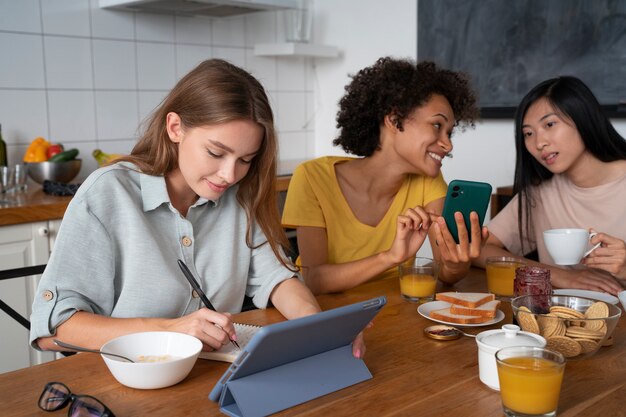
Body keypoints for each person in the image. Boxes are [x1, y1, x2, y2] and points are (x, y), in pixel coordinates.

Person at [30, 59, 365, 357]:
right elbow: (54, 329)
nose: (230, 174)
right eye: (216, 153)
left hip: (205, 384)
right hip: (119, 387)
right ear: (175, 128)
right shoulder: (109, 194)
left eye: (246, 160)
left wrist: (319, 328)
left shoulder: (239, 196)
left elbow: (277, 279)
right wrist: (169, 330)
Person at [282, 57, 487, 295]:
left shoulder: (428, 180)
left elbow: (447, 275)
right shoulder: (312, 177)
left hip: (392, 312)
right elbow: (315, 279)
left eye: (449, 132)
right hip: (325, 312)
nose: (448, 144)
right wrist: (390, 258)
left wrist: (455, 263)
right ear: (393, 120)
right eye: (436, 126)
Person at [475, 76, 626, 294]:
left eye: (549, 124)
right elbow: (479, 248)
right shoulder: (539, 195)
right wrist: (559, 275)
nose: (539, 143)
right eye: (528, 133)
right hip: (560, 319)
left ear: (583, 118)